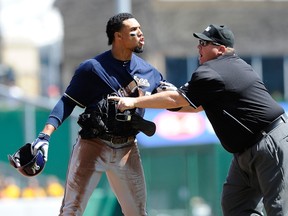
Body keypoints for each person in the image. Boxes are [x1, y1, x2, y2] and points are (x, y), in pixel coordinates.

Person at [109, 24, 288, 216]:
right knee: (235, 206)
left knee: (278, 209)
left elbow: (177, 99)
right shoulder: (227, 67)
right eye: (199, 43)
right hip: (246, 150)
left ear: (220, 49)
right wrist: (164, 101)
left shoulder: (213, 70)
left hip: (269, 142)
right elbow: (195, 106)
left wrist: (134, 102)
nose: (199, 47)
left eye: (204, 43)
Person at [30, 13, 169, 215]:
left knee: (137, 213)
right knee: (71, 210)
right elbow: (67, 102)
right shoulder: (92, 68)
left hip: (127, 147)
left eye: (140, 30)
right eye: (133, 31)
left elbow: (172, 101)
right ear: (117, 37)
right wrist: (45, 135)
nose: (140, 34)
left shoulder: (150, 72)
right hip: (93, 145)